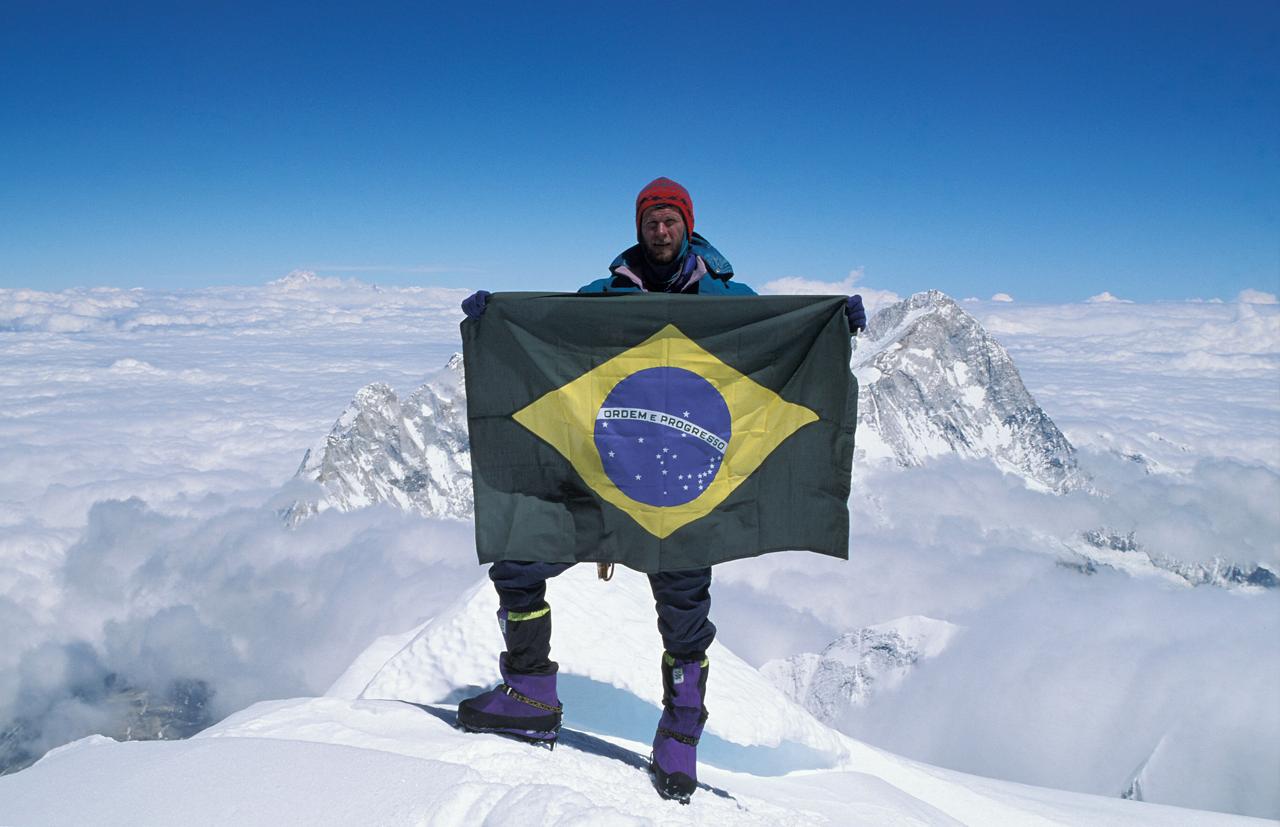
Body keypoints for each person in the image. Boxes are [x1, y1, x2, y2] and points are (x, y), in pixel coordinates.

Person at [456, 178, 865, 803]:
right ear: (640, 227)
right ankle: (529, 691)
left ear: (688, 225)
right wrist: (498, 322)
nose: (661, 230)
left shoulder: (729, 300)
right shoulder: (606, 296)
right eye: (651, 220)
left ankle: (680, 736)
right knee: (518, 559)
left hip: (687, 493)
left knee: (684, 620)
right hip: (604, 484)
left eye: (671, 220)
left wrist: (837, 327)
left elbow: (777, 341)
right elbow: (556, 340)